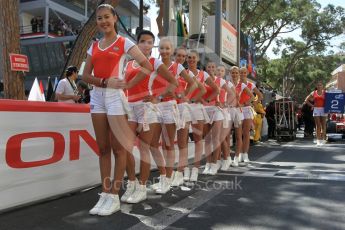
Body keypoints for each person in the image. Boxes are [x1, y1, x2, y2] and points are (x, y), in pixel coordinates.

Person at [81, 4, 153, 216]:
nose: (103, 21)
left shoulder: (124, 42)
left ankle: (114, 195)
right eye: (99, 18)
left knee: (119, 148)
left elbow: (146, 66)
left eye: (107, 17)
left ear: (114, 18)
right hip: (97, 95)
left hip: (115, 99)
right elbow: (85, 76)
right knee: (102, 148)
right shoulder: (94, 46)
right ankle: (105, 193)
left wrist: (128, 85)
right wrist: (104, 81)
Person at [122, 31, 178, 203]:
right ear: (137, 44)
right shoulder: (129, 64)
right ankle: (131, 183)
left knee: (144, 148)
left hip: (148, 109)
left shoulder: (155, 62)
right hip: (130, 109)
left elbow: (173, 83)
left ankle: (142, 187)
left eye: (149, 42)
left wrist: (158, 97)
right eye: (143, 41)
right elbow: (125, 87)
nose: (146, 45)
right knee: (125, 148)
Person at [238, 67, 258, 163]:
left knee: (246, 133)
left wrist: (250, 102)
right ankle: (238, 154)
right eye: (241, 73)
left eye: (244, 73)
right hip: (237, 109)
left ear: (247, 73)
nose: (242, 74)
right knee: (238, 134)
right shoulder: (236, 84)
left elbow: (259, 96)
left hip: (247, 110)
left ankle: (245, 154)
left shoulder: (251, 84)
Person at [305, 81, 327, 145]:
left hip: (324, 109)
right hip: (316, 109)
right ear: (316, 86)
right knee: (318, 125)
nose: (319, 86)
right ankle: (318, 140)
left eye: (320, 85)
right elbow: (306, 100)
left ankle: (323, 139)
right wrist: (312, 105)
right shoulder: (313, 92)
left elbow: (330, 100)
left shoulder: (325, 93)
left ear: (322, 86)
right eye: (318, 85)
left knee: (323, 125)